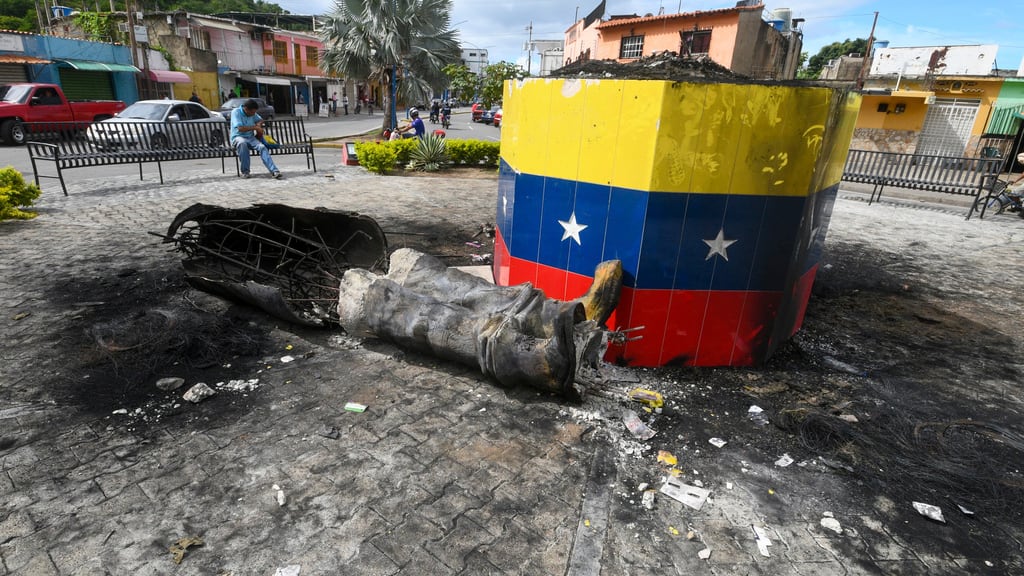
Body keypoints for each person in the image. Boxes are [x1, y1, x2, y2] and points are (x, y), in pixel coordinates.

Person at [230, 99, 282, 180]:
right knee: (242, 143)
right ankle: (245, 172)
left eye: (255, 112)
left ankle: (274, 171)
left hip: (250, 137)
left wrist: (258, 124)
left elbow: (260, 120)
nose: (254, 114)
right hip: (238, 137)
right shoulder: (236, 112)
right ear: (246, 109)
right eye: (252, 112)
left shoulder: (252, 113)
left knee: (262, 147)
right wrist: (255, 127)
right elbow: (240, 128)